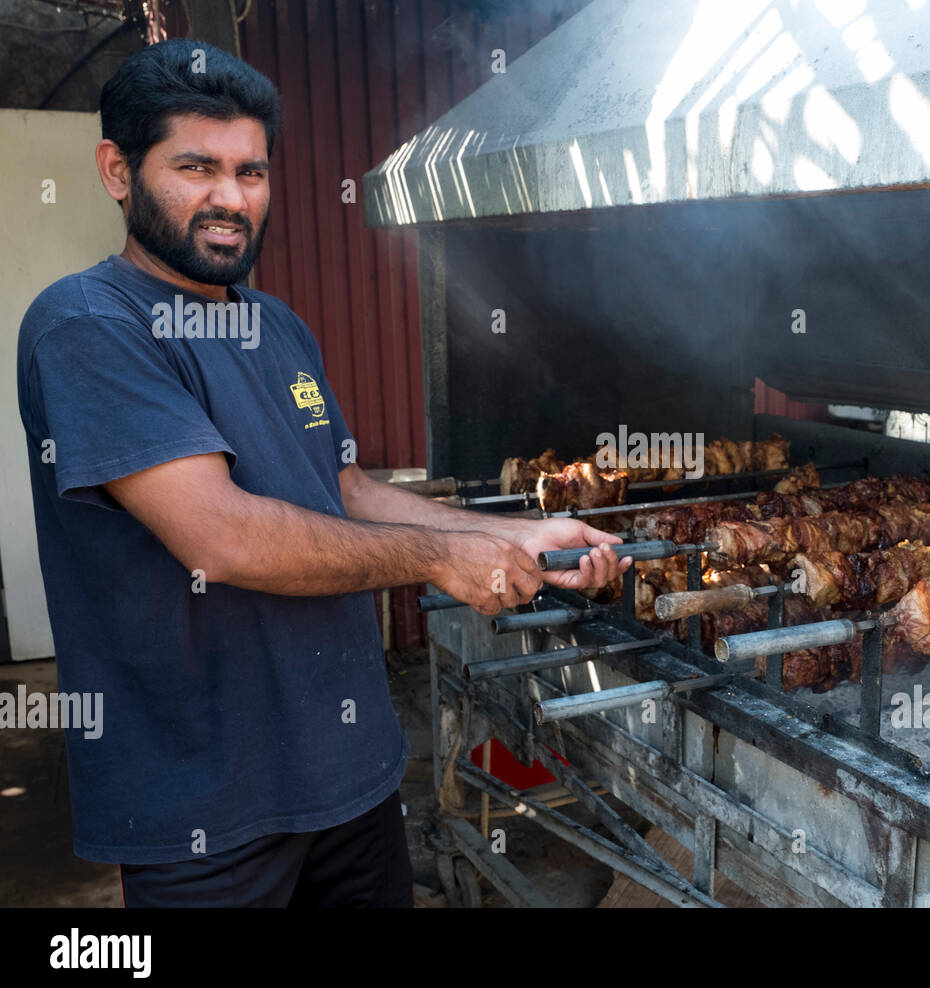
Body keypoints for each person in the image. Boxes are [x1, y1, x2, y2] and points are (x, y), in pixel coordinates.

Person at [15, 39, 630, 908]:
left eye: (252, 171)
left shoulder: (278, 326)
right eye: (197, 167)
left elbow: (342, 490)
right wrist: (436, 561)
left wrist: (511, 533)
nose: (232, 198)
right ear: (117, 170)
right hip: (206, 812)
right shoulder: (86, 326)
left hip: (352, 780)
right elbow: (220, 536)